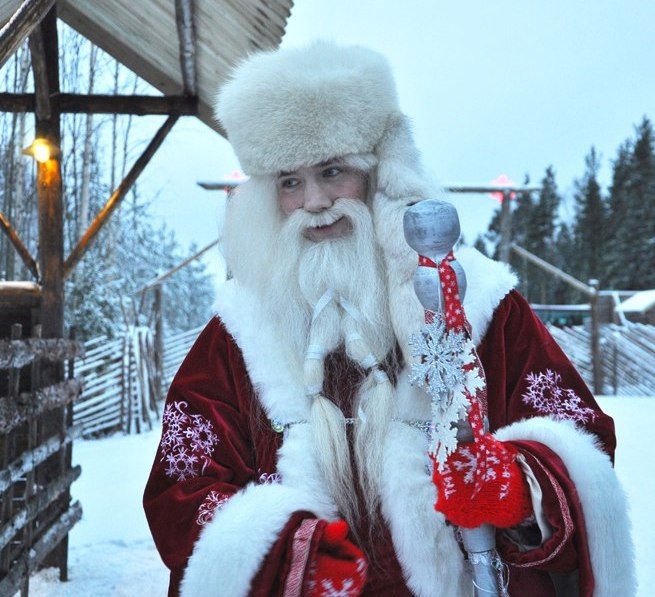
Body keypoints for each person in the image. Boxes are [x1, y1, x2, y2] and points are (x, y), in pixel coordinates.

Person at [143, 40, 635, 596]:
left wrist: (518, 483)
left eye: (333, 171)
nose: (314, 201)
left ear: (380, 175)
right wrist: (290, 557)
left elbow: (577, 431)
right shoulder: (241, 328)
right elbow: (182, 483)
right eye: (289, 181)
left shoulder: (473, 301)